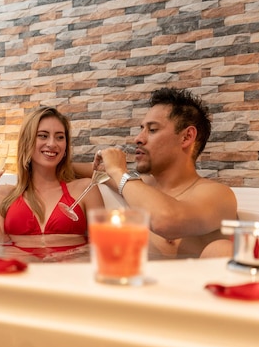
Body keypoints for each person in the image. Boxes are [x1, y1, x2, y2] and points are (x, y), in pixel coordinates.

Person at [75, 87, 237, 259]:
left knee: (222, 248)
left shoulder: (218, 195)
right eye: (142, 129)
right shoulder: (142, 186)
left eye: (152, 130)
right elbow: (97, 171)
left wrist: (118, 170)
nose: (138, 138)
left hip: (181, 284)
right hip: (132, 280)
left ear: (186, 137)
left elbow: (166, 221)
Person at [0, 106, 104, 258]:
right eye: (43, 136)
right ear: (27, 142)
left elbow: (104, 247)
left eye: (60, 137)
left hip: (68, 275)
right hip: (21, 276)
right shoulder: (3, 194)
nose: (52, 143)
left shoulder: (85, 189)